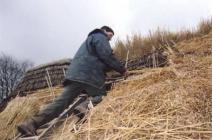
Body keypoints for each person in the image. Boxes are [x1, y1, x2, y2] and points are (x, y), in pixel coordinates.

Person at [17, 26, 127, 136]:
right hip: (90, 74)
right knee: (101, 96)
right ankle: (84, 106)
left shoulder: (89, 41)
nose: (110, 39)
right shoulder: (100, 37)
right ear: (104, 31)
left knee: (62, 102)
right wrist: (122, 70)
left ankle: (32, 123)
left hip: (76, 74)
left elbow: (99, 59)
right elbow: (106, 55)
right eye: (110, 35)